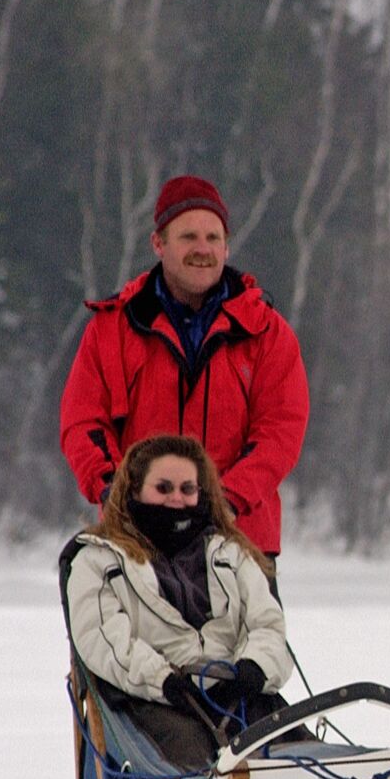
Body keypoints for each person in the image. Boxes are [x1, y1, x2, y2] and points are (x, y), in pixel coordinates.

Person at [59, 175, 309, 559]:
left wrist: (225, 502)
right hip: (136, 548)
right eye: (188, 237)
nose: (202, 249)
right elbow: (82, 424)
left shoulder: (267, 333)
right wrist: (116, 492)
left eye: (213, 238)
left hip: (240, 546)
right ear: (158, 243)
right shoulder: (111, 331)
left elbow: (281, 433)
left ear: (227, 247)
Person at [65, 435, 293, 768]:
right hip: (153, 702)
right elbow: (105, 640)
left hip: (239, 696)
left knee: (312, 768)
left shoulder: (231, 554)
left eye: (187, 489)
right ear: (134, 490)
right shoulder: (99, 560)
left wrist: (255, 667)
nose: (177, 499)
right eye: (164, 488)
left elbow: (267, 625)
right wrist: (165, 681)